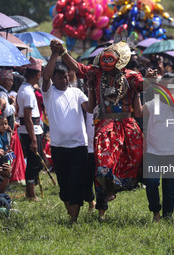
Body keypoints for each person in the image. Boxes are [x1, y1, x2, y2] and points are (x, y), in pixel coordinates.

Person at [48, 30, 155, 210]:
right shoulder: (96, 73)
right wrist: (64, 52)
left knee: (138, 155)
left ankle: (139, 181)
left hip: (128, 123)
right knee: (105, 158)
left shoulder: (131, 75)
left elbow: (142, 86)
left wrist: (150, 80)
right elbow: (78, 68)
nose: (106, 61)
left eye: (110, 59)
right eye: (104, 58)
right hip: (106, 123)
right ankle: (109, 189)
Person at [42, 44, 90, 223]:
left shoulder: (77, 92)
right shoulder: (48, 93)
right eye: (60, 77)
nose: (64, 80)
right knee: (64, 185)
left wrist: (91, 89)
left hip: (79, 145)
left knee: (76, 182)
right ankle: (72, 215)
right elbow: (45, 77)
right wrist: (55, 54)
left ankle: (74, 219)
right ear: (54, 79)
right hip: (58, 147)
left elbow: (88, 108)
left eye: (66, 77)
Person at [137, 72, 174, 222]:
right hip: (152, 152)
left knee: (169, 188)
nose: (164, 88)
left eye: (168, 86)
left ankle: (168, 217)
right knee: (151, 184)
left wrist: (152, 83)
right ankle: (156, 213)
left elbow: (169, 100)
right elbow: (138, 112)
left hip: (173, 151)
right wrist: (137, 90)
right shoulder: (153, 103)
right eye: (163, 85)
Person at [17, 57, 44, 201]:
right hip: (30, 131)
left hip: (33, 129)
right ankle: (31, 194)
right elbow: (27, 118)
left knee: (37, 162)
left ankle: (30, 192)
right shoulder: (27, 91)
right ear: (37, 74)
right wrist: (33, 139)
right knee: (33, 163)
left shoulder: (26, 89)